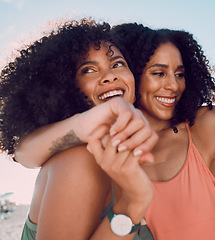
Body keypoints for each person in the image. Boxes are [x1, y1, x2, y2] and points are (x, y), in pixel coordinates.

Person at [15, 23, 215, 239]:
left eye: (180, 74)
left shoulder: (206, 124)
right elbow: (24, 153)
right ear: (137, 73)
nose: (173, 85)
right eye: (158, 72)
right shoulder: (88, 158)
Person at [0, 19, 157, 239]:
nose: (110, 76)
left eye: (117, 64)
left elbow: (25, 153)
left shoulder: (126, 160)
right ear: (64, 86)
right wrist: (133, 204)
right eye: (88, 70)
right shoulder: (79, 160)